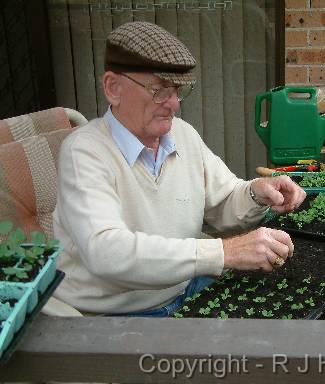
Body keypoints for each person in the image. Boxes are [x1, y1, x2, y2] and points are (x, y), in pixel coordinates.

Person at [52, 21, 306, 316]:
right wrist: (224, 253)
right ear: (113, 87)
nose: (173, 104)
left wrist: (255, 193)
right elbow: (107, 252)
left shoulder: (182, 135)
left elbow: (223, 202)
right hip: (119, 314)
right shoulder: (84, 151)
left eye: (177, 90)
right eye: (159, 90)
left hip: (186, 288)